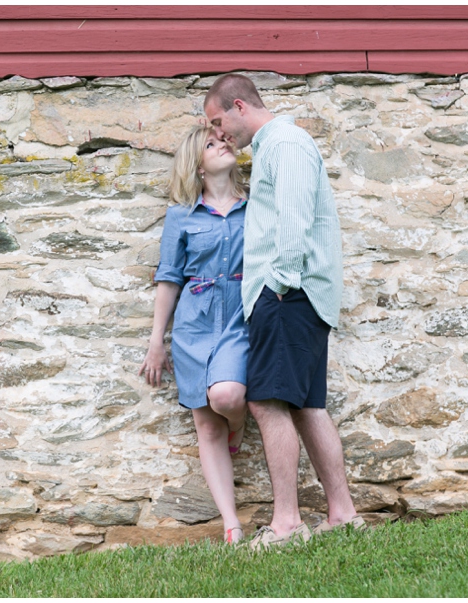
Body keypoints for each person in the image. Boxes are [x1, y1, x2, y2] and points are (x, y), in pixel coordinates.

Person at [203, 73, 363, 551]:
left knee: (266, 402)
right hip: (296, 296)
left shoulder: (286, 144)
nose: (219, 134)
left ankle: (288, 523)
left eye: (218, 121)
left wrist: (275, 288)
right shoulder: (276, 146)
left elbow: (292, 223)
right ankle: (343, 515)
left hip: (287, 295)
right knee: (309, 406)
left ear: (238, 106)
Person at [139, 125, 250, 545]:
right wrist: (156, 341)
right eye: (211, 144)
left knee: (227, 397)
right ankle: (232, 525)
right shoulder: (181, 216)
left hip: (239, 316)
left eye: (224, 140)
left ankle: (237, 428)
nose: (223, 144)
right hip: (193, 324)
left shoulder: (253, 208)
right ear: (198, 165)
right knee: (206, 428)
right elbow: (169, 279)